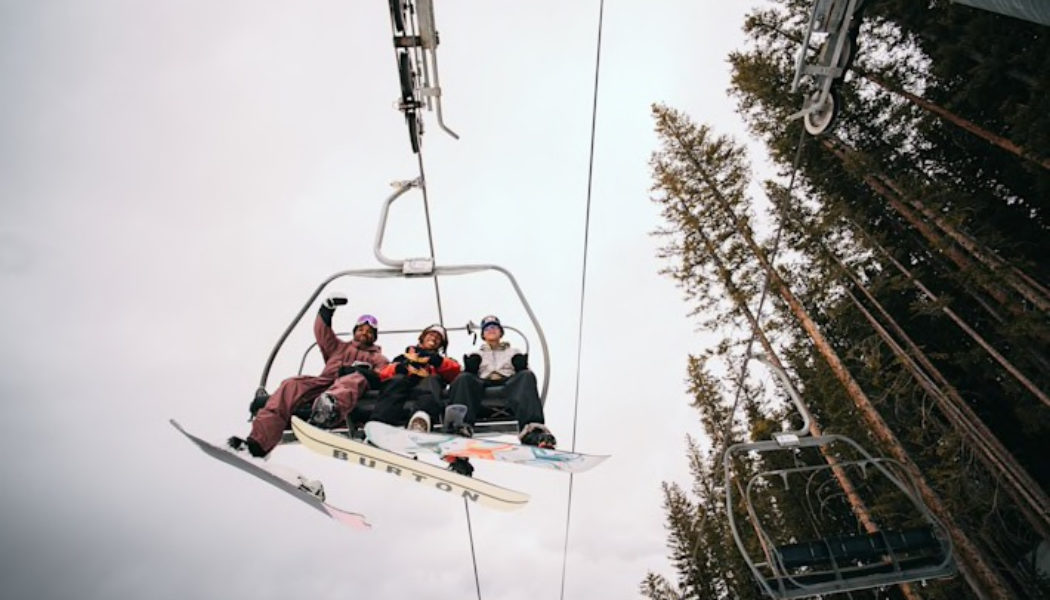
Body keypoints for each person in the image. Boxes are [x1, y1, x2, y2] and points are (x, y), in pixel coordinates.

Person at [229, 293, 389, 458]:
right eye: (361, 329)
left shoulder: (378, 358)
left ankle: (328, 409)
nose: (364, 333)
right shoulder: (338, 347)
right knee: (291, 385)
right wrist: (326, 310)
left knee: (354, 379)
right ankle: (257, 445)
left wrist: (364, 371)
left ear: (374, 337)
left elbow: (383, 375)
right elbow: (322, 333)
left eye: (370, 332)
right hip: (324, 384)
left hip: (349, 393)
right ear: (355, 331)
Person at [448, 315, 556, 448]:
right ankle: (461, 426)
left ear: (501, 332)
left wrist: (520, 365)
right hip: (483, 382)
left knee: (526, 376)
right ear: (483, 335)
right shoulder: (477, 353)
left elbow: (524, 372)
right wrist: (471, 368)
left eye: (494, 327)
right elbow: (467, 375)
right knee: (463, 378)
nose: (491, 330)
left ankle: (533, 430)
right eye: (487, 329)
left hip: (507, 382)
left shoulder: (513, 351)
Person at [371, 324, 461, 432]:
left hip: (427, 392)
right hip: (403, 388)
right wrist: (400, 368)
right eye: (431, 334)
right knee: (397, 380)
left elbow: (455, 372)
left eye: (438, 338)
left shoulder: (441, 361)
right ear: (423, 337)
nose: (434, 338)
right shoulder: (403, 357)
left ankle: (420, 420)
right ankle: (379, 424)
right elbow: (383, 375)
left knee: (431, 380)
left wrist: (437, 361)